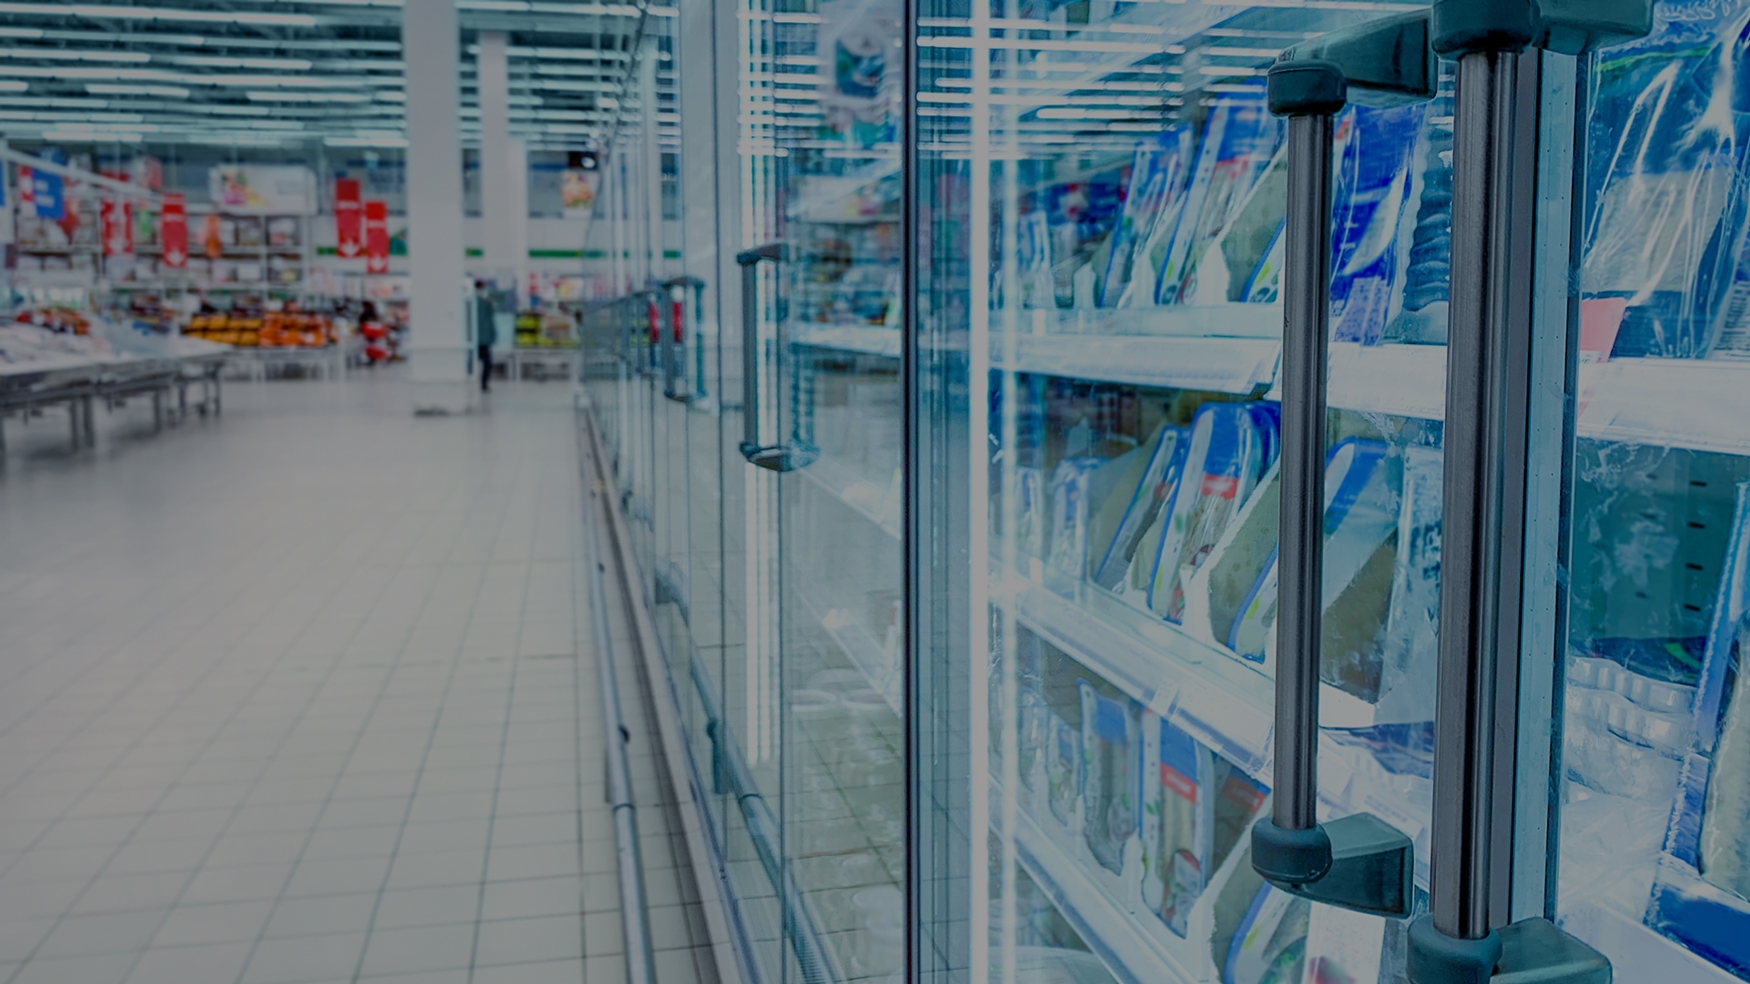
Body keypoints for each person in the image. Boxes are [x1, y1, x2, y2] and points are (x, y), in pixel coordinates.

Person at [472, 280, 497, 392]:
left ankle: (483, 383)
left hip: (479, 339)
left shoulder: (485, 301)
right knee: (486, 362)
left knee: (485, 363)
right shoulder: (480, 301)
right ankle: (482, 383)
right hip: (480, 339)